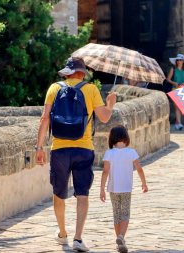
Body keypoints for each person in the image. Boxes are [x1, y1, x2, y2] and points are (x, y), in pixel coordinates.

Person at [35, 57, 117, 252]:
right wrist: (110, 104)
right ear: (82, 72)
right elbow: (104, 118)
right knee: (82, 193)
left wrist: (39, 148)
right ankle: (78, 238)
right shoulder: (90, 89)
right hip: (83, 147)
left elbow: (45, 119)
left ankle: (62, 233)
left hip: (59, 148)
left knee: (58, 192)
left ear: (67, 72)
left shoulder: (54, 88)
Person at [100, 125, 148, 253]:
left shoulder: (109, 153)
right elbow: (139, 169)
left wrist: (102, 189)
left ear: (112, 139)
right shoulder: (131, 152)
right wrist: (144, 183)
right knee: (125, 213)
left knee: (116, 214)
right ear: (126, 137)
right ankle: (121, 237)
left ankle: (119, 241)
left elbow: (105, 172)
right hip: (126, 188)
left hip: (113, 188)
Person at [166, 53, 184, 131]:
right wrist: (174, 83)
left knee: (181, 107)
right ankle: (179, 123)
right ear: (176, 61)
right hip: (175, 89)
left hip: (183, 89)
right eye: (178, 60)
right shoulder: (173, 69)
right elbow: (168, 79)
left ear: (183, 61)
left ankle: (178, 123)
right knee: (177, 107)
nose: (179, 61)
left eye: (181, 60)